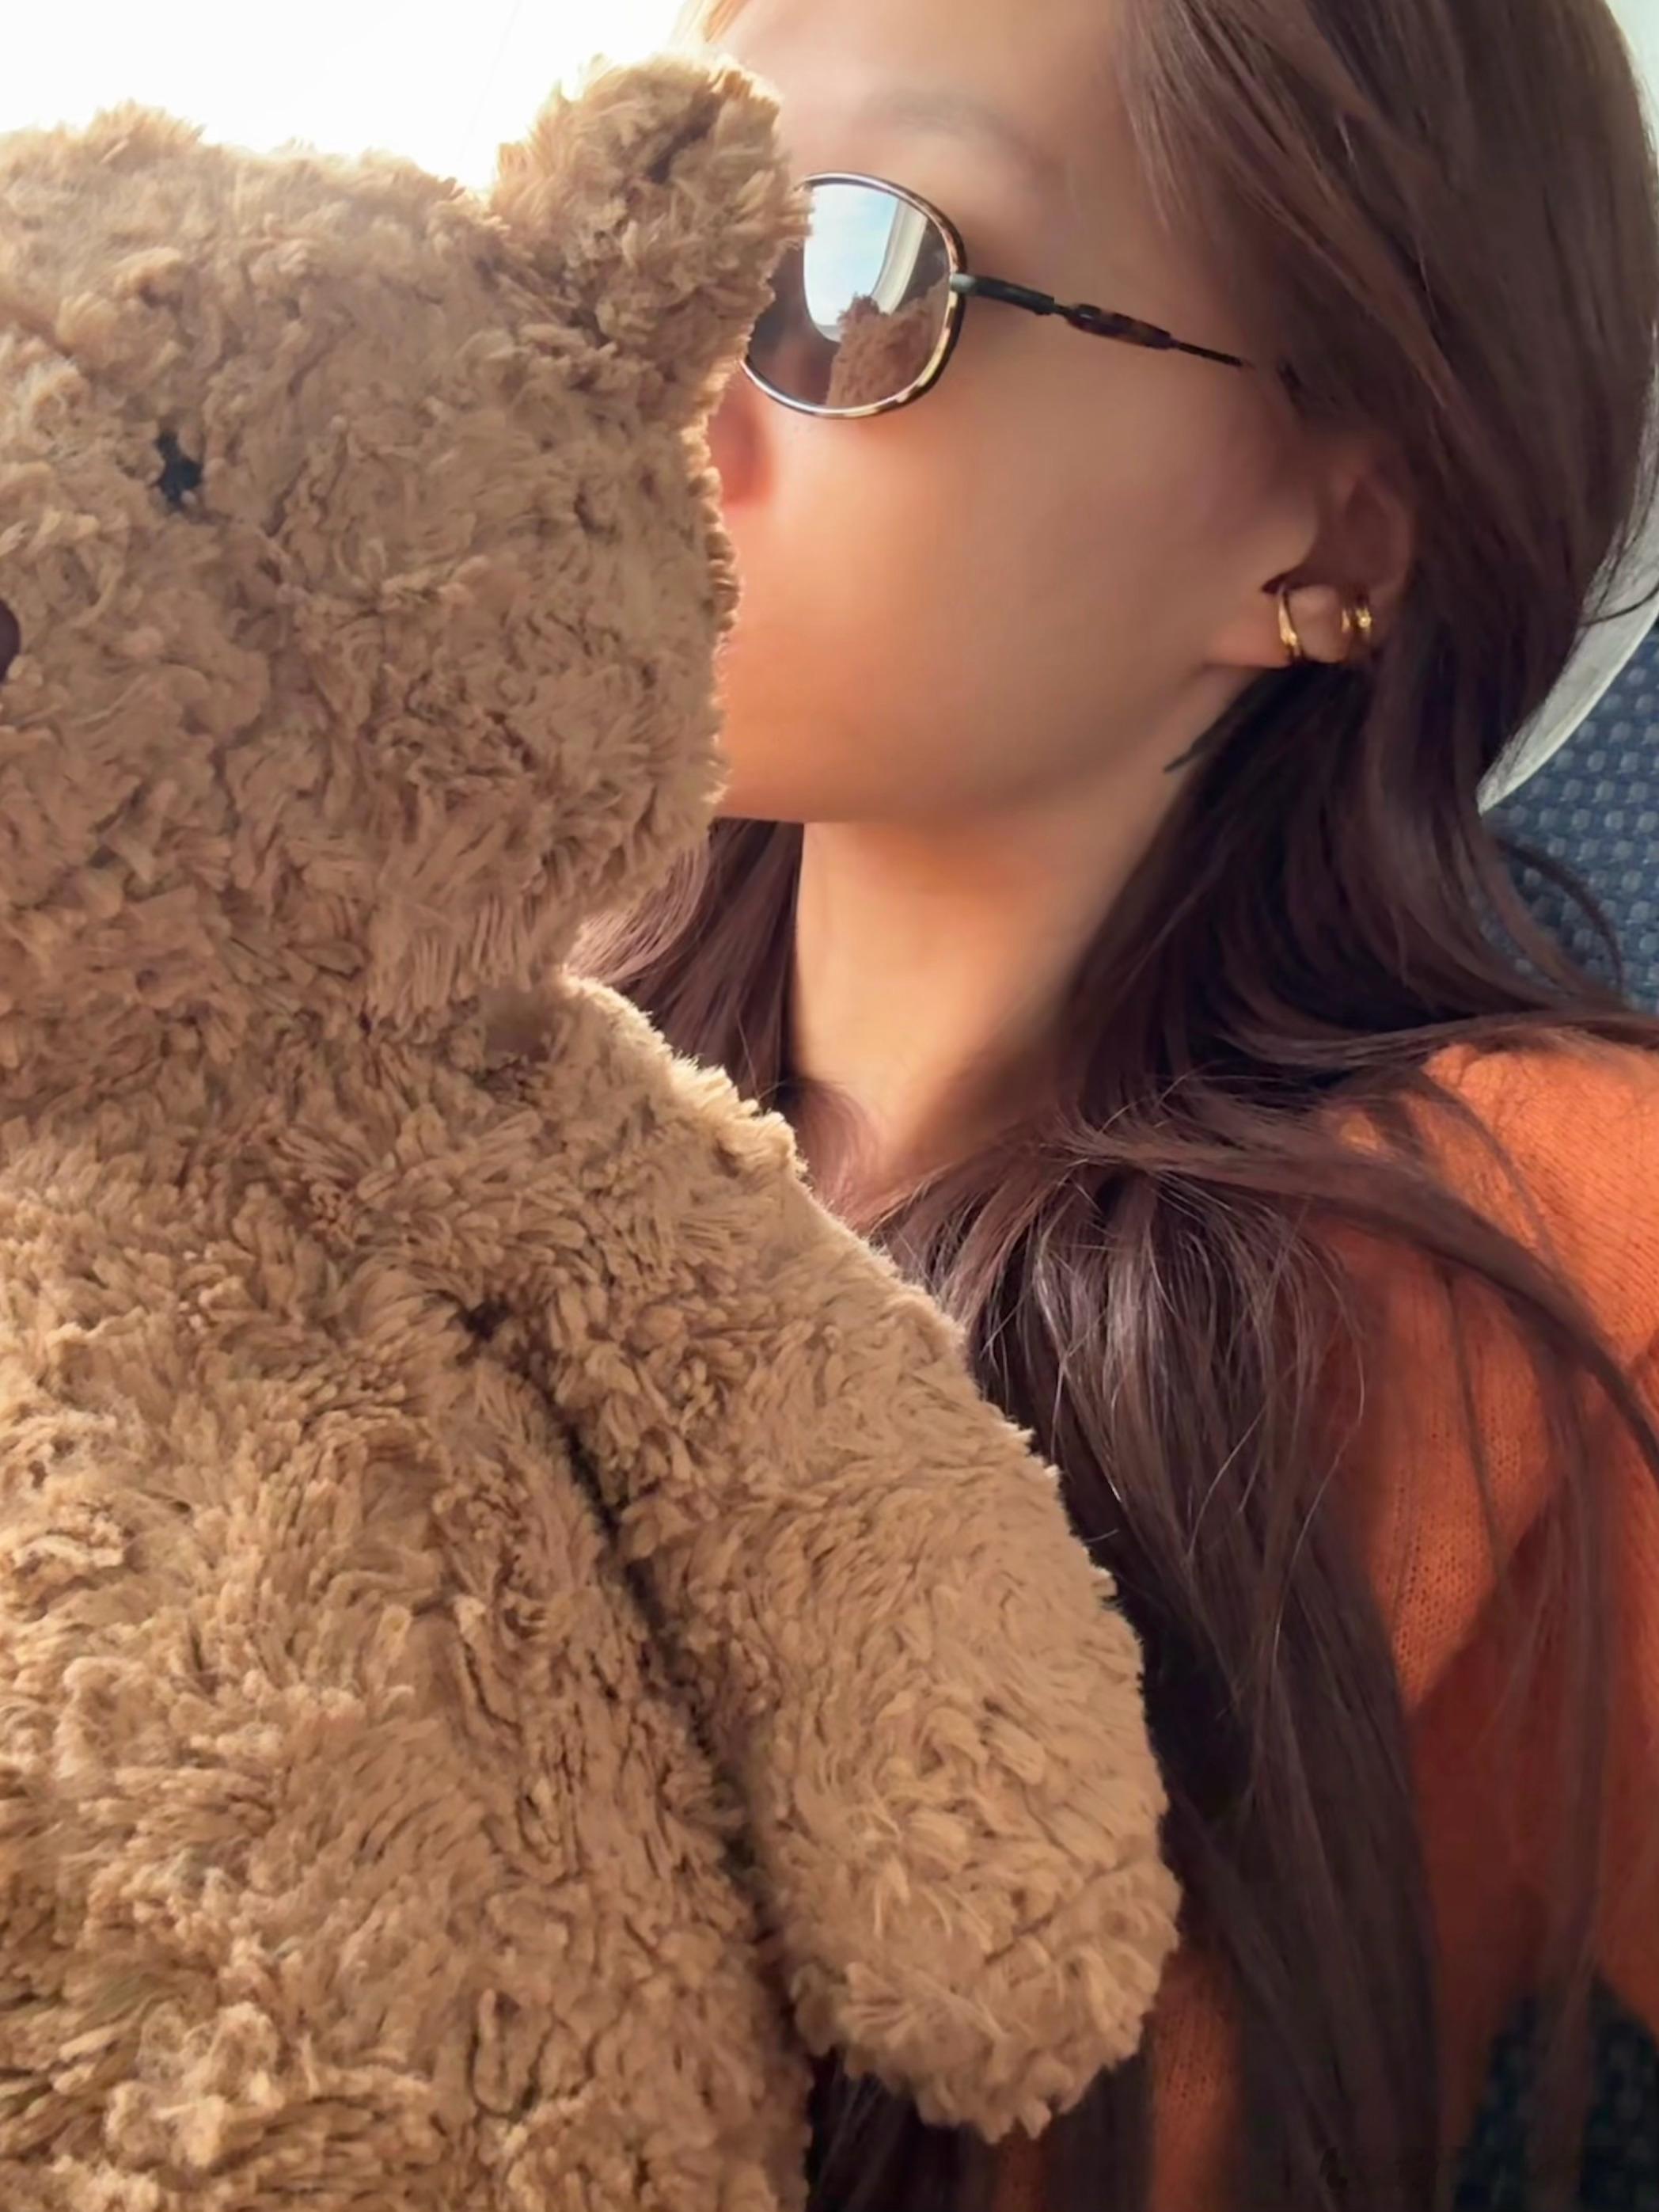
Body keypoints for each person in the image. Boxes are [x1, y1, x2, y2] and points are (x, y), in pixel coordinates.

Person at [583, 0, 1659, 2203]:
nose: (650, 385)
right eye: (631, 247)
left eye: (841, 272)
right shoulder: (407, 1034)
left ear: (1331, 520)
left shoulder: (1560, 1251)